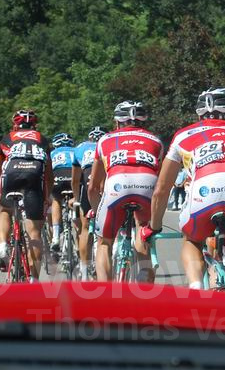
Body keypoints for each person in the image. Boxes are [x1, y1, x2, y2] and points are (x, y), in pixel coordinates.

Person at [142, 88, 225, 292]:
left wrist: (153, 227)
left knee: (192, 239)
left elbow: (161, 189)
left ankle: (196, 287)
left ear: (199, 114)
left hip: (206, 190)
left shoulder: (183, 135)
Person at [87, 102, 163, 283]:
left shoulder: (105, 140)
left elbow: (93, 187)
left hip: (116, 185)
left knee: (104, 242)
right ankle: (144, 279)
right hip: (147, 183)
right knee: (143, 229)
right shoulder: (156, 141)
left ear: (117, 122)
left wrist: (98, 213)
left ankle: (105, 294)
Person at [0, 109, 52, 281]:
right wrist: (46, 198)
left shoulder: (8, 138)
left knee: (5, 211)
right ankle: (34, 279)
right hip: (34, 178)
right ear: (34, 124)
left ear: (15, 124)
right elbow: (48, 175)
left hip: (11, 176)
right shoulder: (43, 140)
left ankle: (2, 245)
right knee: (34, 232)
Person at [73, 126, 105, 271]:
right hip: (105, 178)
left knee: (85, 228)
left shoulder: (81, 147)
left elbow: (74, 180)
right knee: (108, 226)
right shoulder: (108, 142)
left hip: (87, 178)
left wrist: (76, 198)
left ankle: (84, 271)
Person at [48, 133, 80, 251]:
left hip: (58, 176)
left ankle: (55, 236)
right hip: (73, 175)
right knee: (77, 200)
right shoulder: (76, 150)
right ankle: (79, 234)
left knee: (56, 199)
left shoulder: (52, 153)